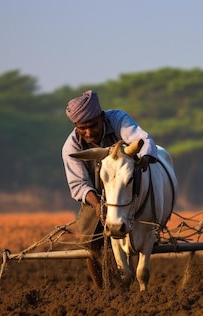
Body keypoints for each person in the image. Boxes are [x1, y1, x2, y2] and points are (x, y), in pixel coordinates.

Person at [62, 90, 158, 290]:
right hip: (96, 196)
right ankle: (102, 291)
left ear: (101, 117)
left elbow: (142, 138)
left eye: (93, 126)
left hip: (126, 189)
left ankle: (145, 238)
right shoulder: (71, 148)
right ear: (75, 127)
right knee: (89, 242)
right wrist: (98, 206)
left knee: (145, 213)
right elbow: (79, 184)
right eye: (82, 128)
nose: (88, 133)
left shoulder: (118, 120)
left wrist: (146, 157)